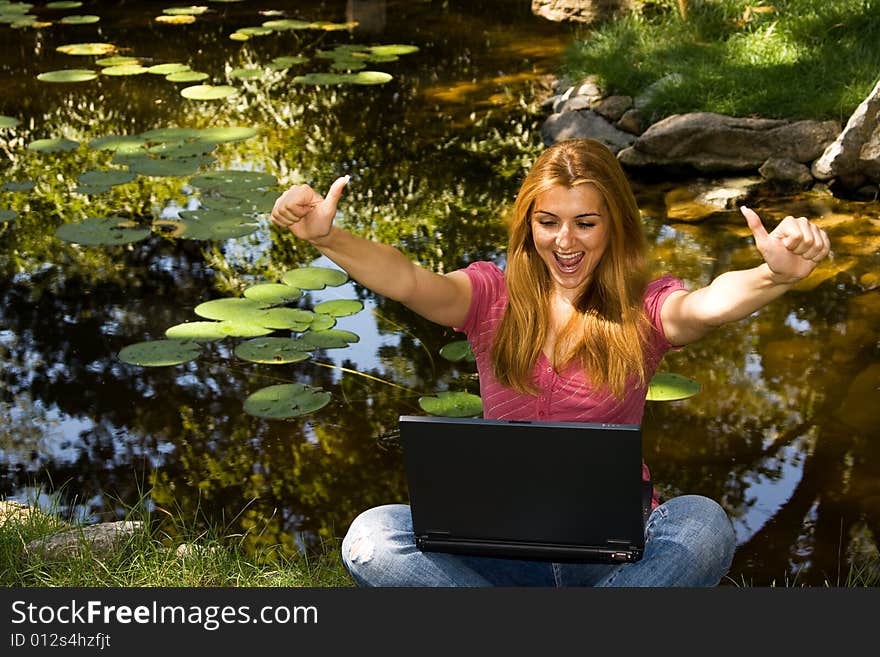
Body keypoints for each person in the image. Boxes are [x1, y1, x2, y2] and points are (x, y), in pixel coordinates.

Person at [270, 138, 831, 587]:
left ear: (613, 227)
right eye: (548, 222)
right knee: (371, 536)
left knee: (704, 524)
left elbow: (708, 305)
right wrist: (329, 239)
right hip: (498, 547)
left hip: (618, 551)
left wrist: (772, 276)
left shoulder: (646, 308)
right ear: (528, 225)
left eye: (586, 222)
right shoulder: (489, 297)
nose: (566, 241)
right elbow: (407, 279)